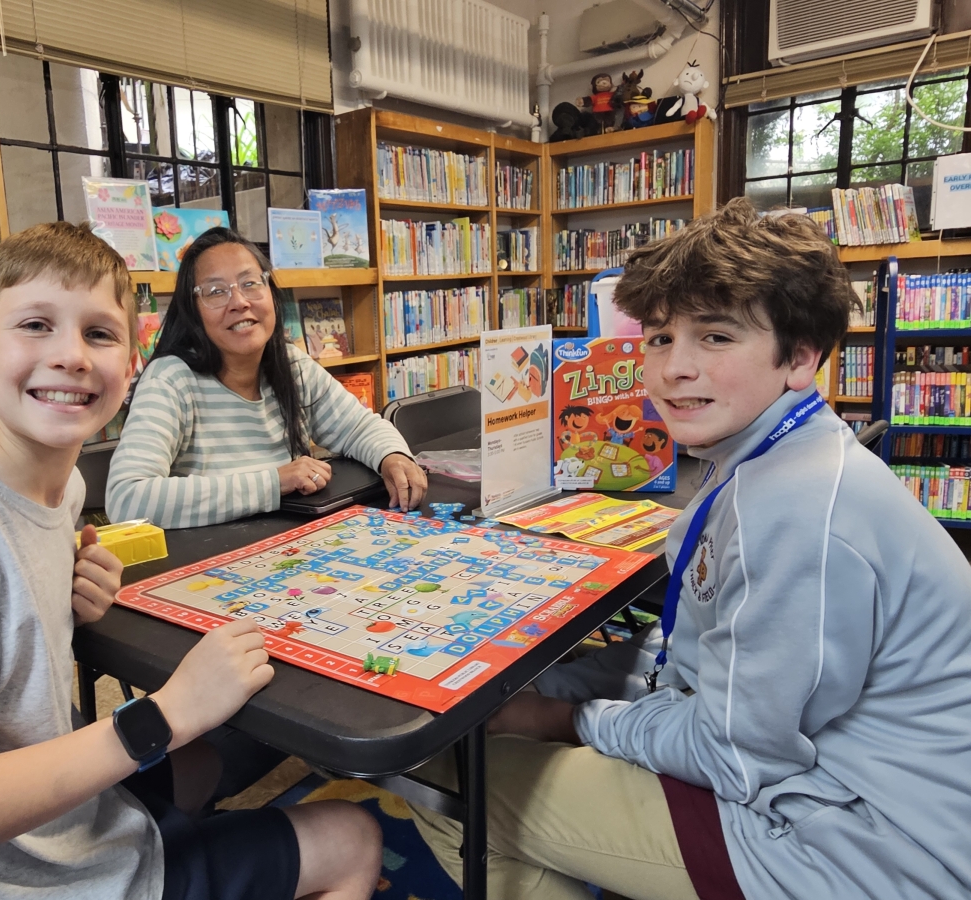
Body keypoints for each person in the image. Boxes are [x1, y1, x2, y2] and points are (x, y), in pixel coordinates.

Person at [407, 199, 971, 900]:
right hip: (841, 792)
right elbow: (692, 655)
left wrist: (559, 719)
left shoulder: (794, 511)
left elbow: (734, 754)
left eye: (714, 337)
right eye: (659, 338)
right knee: (514, 723)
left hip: (859, 846)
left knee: (443, 773)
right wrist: (559, 690)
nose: (673, 367)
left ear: (800, 357)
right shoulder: (775, 457)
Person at [0, 222, 382, 900]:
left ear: (129, 366)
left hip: (63, 823)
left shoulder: (62, 489)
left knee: (204, 760)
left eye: (99, 334)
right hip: (18, 881)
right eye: (36, 325)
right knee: (354, 837)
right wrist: (164, 713)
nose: (71, 356)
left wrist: (69, 600)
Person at [106, 227, 427, 529]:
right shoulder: (171, 380)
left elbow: (358, 427)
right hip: (206, 569)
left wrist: (392, 456)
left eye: (250, 283)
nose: (239, 302)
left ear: (271, 293)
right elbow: (127, 499)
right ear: (192, 310)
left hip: (289, 553)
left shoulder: (291, 365)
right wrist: (274, 482)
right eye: (216, 292)